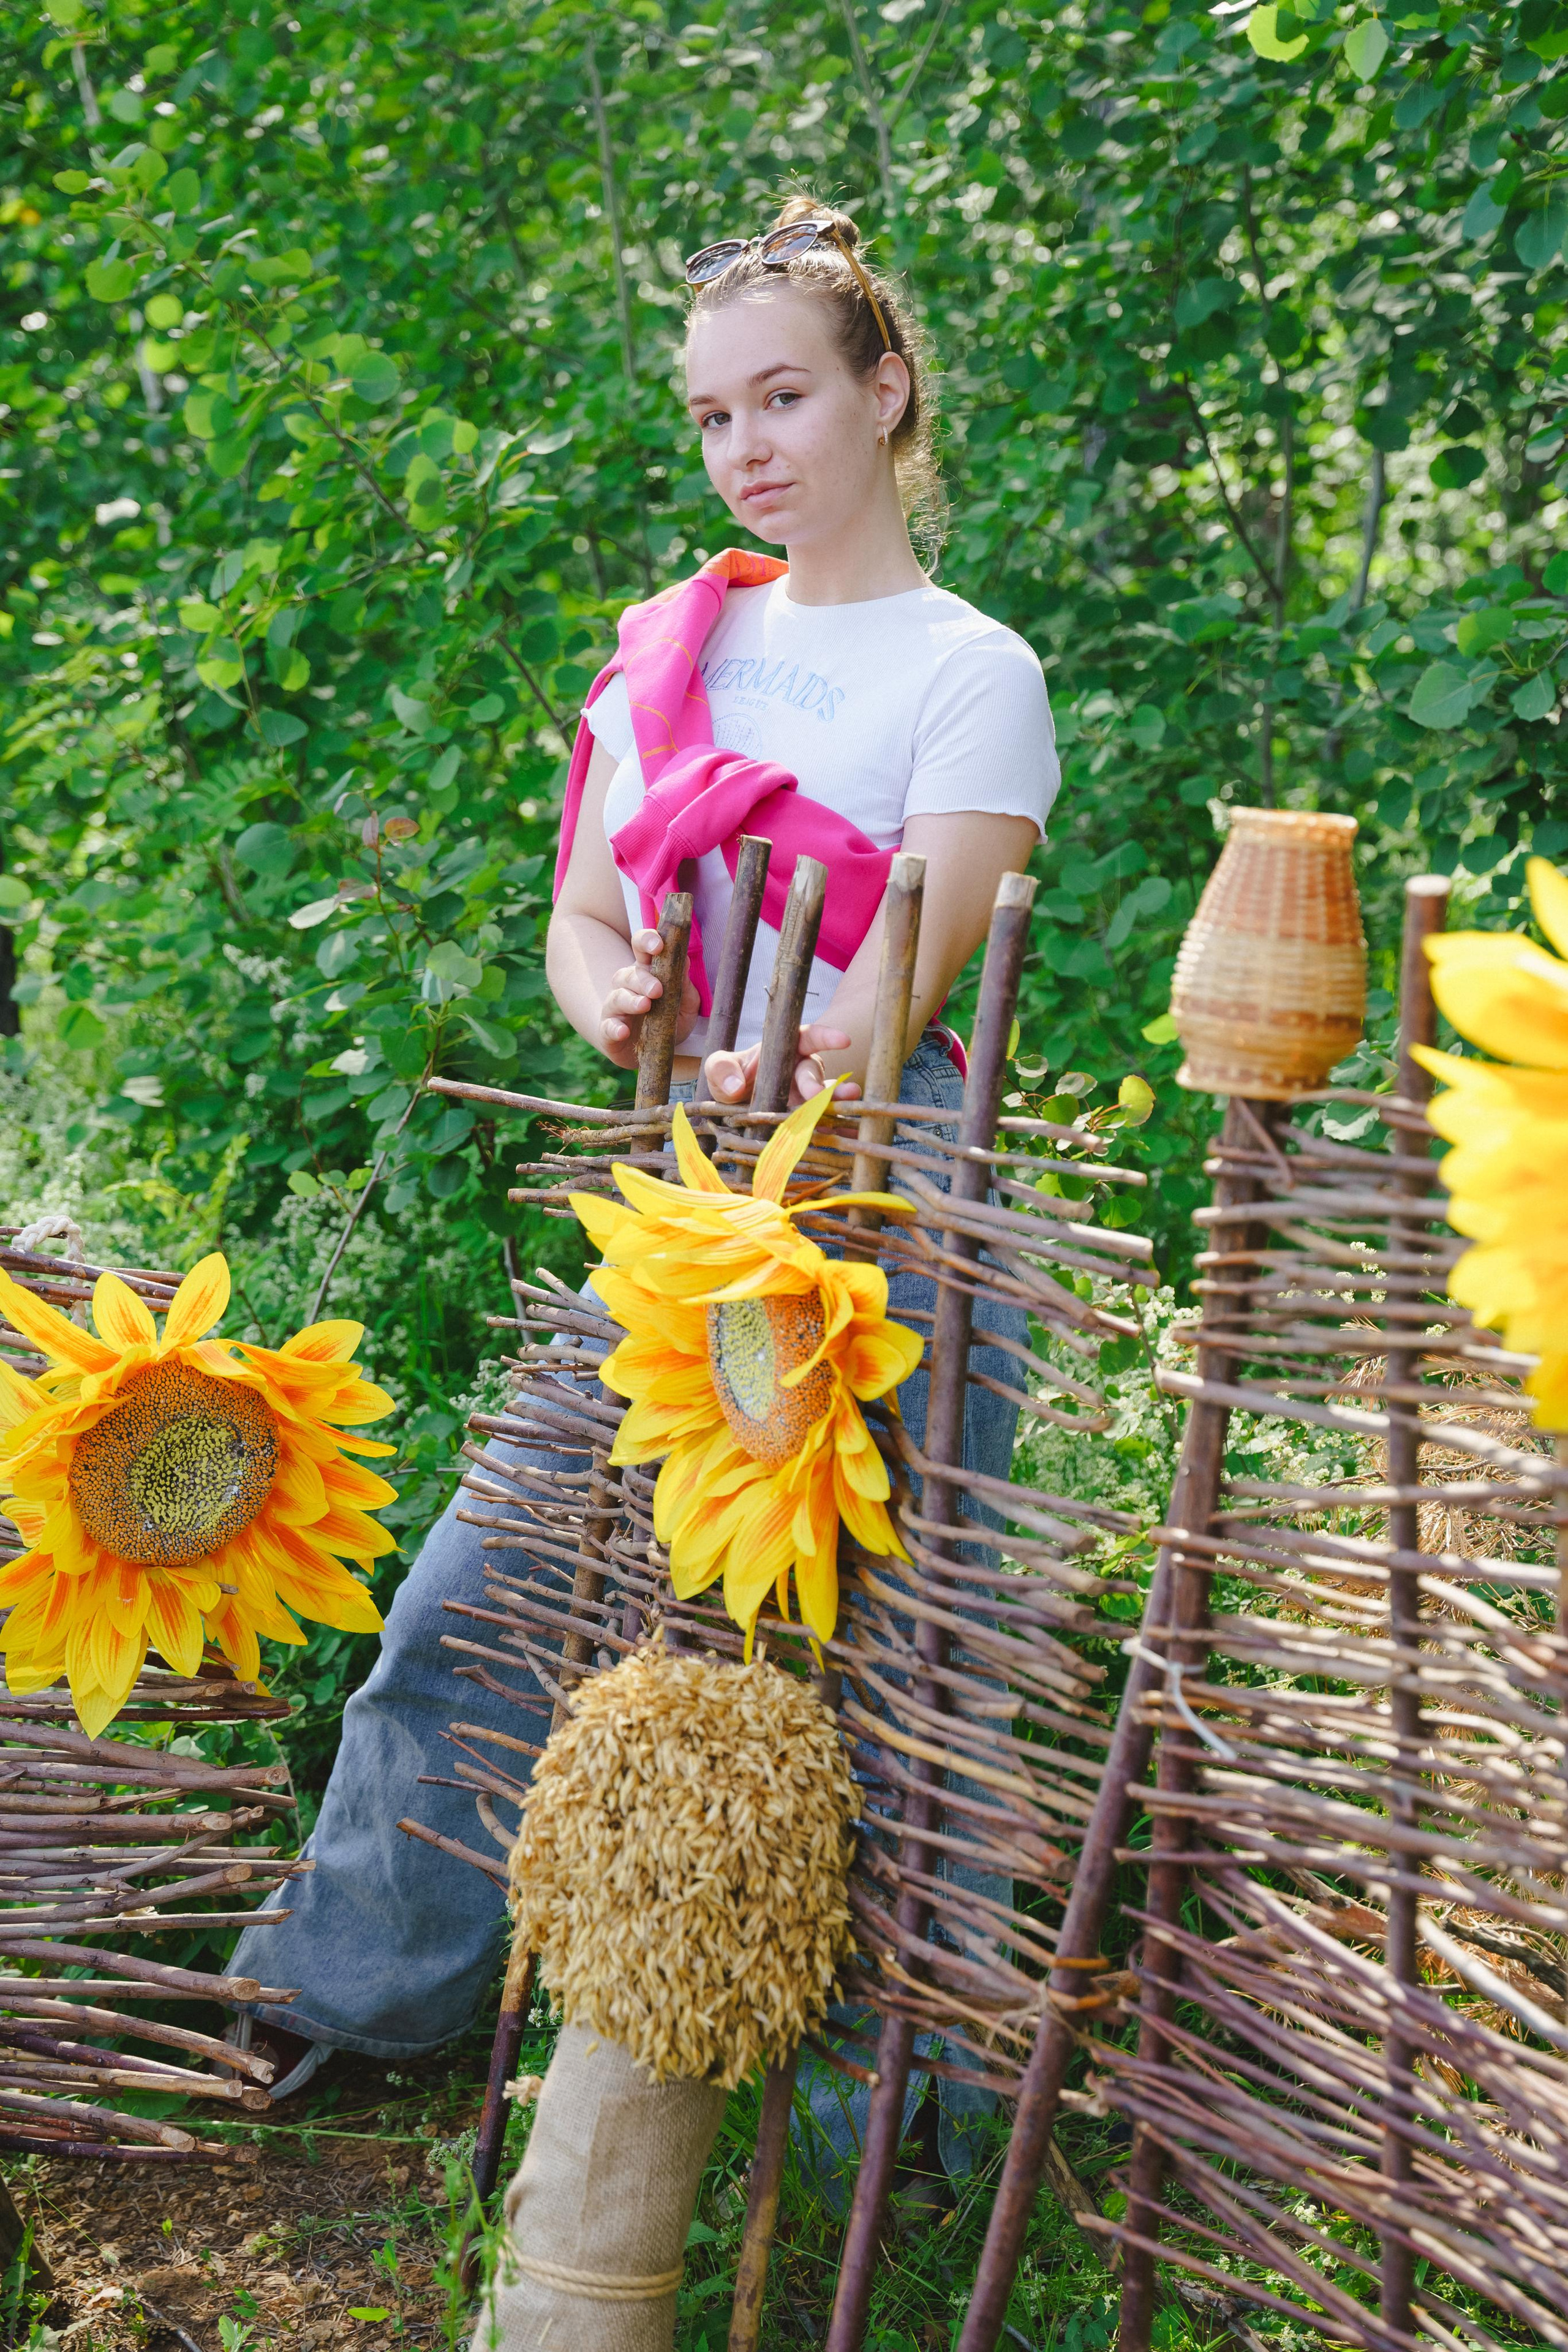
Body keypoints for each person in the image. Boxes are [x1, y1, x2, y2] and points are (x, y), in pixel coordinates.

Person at [227, 195, 1059, 2106]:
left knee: (893, 1653)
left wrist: (796, 1051)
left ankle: (888, 2123)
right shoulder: (677, 639)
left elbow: (917, 982)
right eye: (710, 415)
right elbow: (586, 915)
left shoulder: (968, 671)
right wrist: (609, 997)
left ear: (888, 393)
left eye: (783, 397)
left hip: (882, 1198)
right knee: (483, 1589)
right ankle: (348, 1996)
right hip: (680, 1184)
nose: (747, 446)